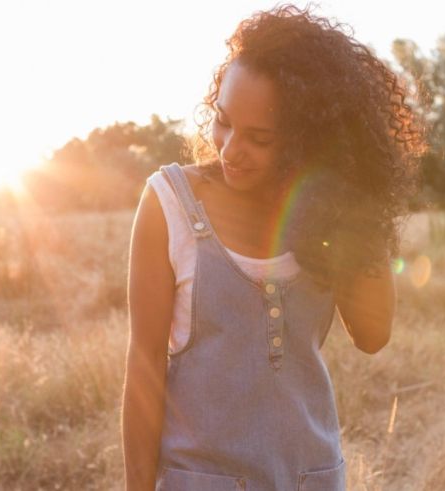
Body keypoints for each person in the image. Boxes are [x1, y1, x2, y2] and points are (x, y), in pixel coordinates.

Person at [122, 5, 422, 490]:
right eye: (222, 121)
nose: (229, 149)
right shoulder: (169, 204)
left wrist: (352, 202)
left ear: (310, 141)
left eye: (259, 138)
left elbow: (373, 334)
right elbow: (144, 365)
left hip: (312, 479)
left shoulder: (330, 215)